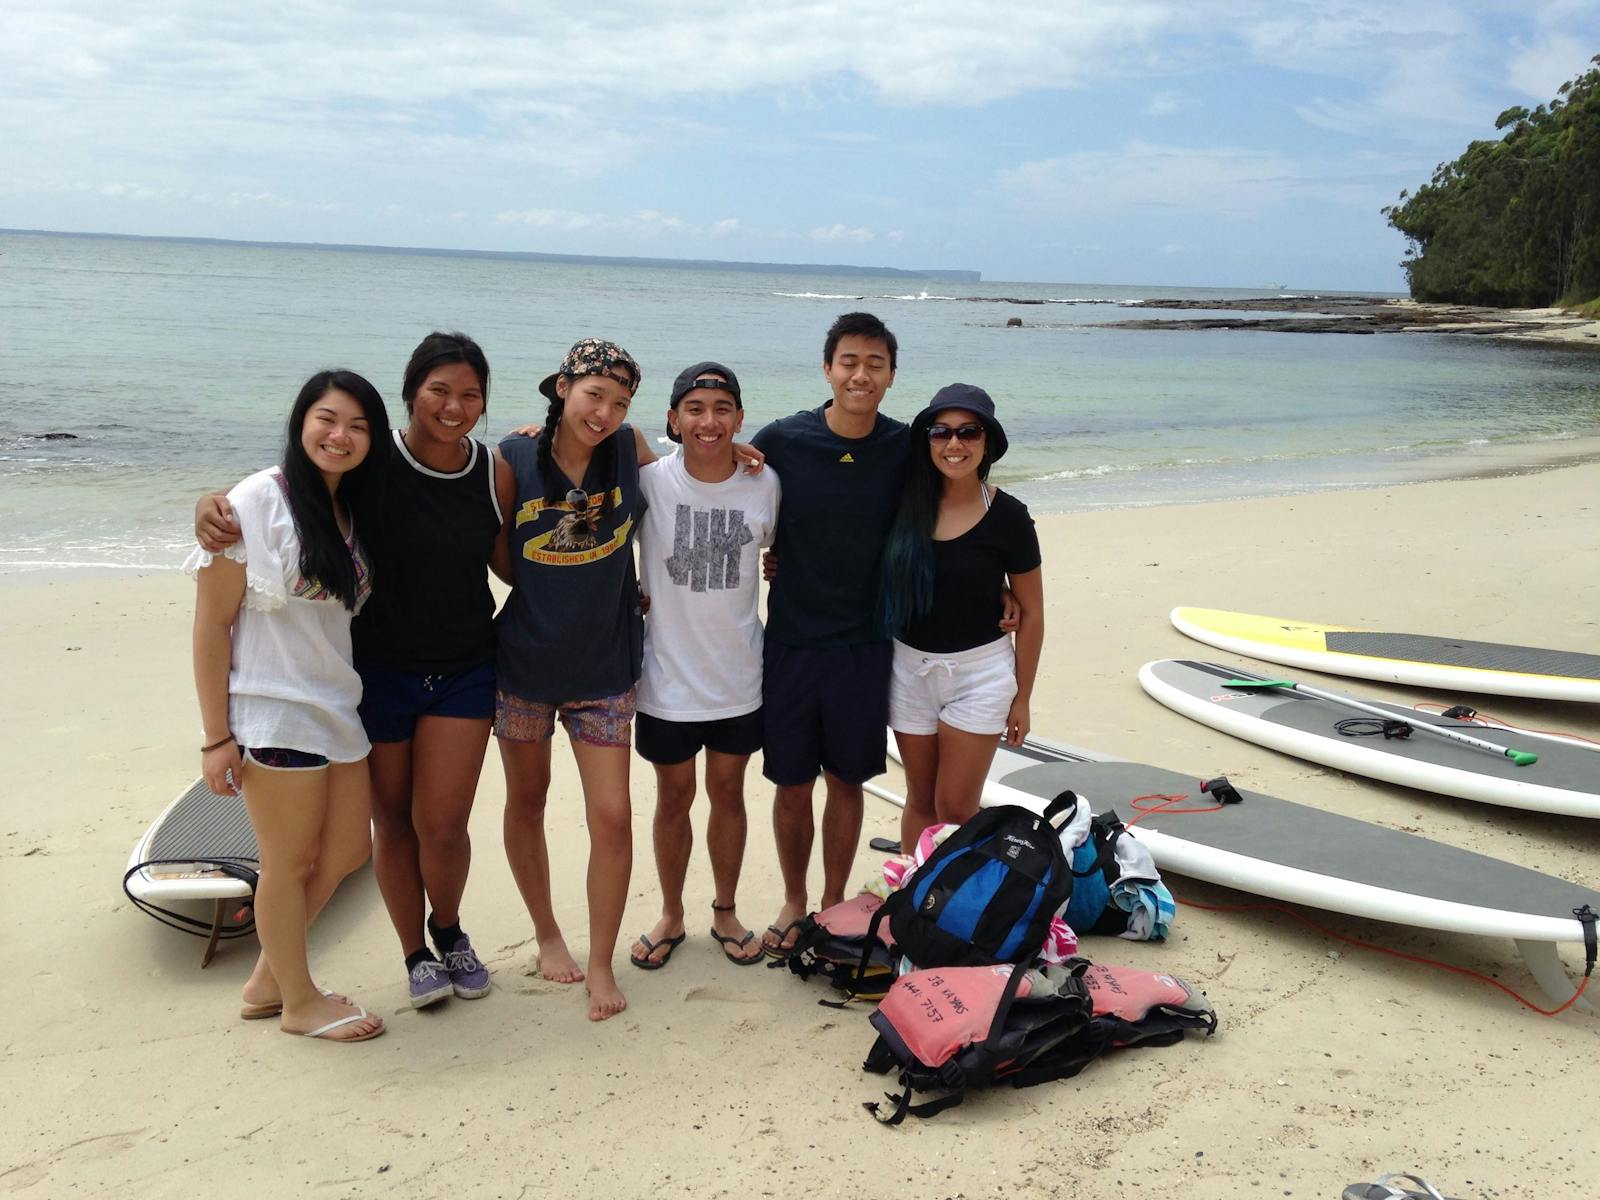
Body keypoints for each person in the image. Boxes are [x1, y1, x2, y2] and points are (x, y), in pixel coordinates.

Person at [197, 332, 511, 1012]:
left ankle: (442, 931)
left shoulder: (482, 471)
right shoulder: (362, 469)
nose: (452, 406)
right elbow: (285, 497)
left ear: (484, 402)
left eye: (468, 394)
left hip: (441, 673)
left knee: (419, 830)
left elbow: (515, 560)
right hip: (363, 678)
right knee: (377, 829)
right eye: (437, 390)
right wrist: (210, 503)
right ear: (409, 394)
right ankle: (405, 957)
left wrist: (624, 457)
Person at [187, 369, 390, 1042]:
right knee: (289, 861)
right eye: (328, 419)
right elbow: (212, 623)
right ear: (302, 422)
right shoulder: (254, 501)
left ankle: (272, 977)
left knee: (347, 852)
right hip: (274, 707)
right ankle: (299, 1004)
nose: (341, 436)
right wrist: (217, 738)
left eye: (359, 426)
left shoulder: (350, 507)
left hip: (336, 704)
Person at [495, 338, 653, 1021]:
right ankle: (548, 935)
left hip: (606, 668)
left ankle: (599, 962)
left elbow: (698, 470)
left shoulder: (631, 449)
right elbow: (499, 553)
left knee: (613, 817)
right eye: (594, 396)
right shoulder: (510, 456)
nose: (606, 413)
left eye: (619, 402)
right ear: (562, 387)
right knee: (527, 800)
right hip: (525, 665)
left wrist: (737, 455)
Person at [748, 312, 909, 954]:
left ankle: (834, 900)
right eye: (849, 361)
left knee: (847, 779)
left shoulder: (906, 446)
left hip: (865, 644)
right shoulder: (784, 439)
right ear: (827, 368)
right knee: (791, 781)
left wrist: (1006, 587)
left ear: (891, 376)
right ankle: (794, 898)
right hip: (790, 639)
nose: (860, 374)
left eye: (874, 363)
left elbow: (962, 500)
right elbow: (711, 468)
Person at [626, 363, 780, 970]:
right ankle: (670, 912)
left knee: (728, 793)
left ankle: (724, 909)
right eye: (694, 408)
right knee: (673, 796)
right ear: (673, 420)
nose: (708, 421)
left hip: (739, 675)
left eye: (721, 409)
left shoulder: (765, 484)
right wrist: (529, 434)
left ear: (740, 418)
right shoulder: (648, 481)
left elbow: (791, 552)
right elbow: (588, 437)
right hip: (665, 677)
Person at [878, 384, 1044, 849]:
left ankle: (957, 905)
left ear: (987, 442)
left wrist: (1023, 697)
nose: (954, 444)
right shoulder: (902, 504)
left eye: (969, 432)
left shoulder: (1009, 515)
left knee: (954, 806)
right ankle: (914, 900)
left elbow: (1032, 613)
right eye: (942, 432)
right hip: (908, 668)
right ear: (927, 440)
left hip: (981, 673)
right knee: (920, 800)